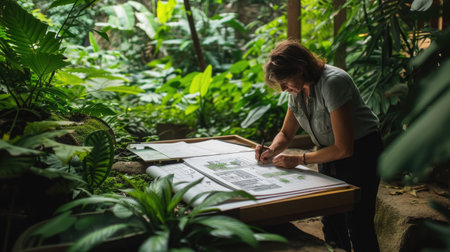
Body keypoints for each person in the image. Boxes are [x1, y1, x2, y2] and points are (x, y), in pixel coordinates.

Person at [255, 40, 382, 252]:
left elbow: (344, 148)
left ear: (299, 68)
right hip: (328, 153)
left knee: (358, 223)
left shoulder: (333, 82)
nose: (284, 89)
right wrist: (271, 150)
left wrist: (298, 159)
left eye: (285, 82)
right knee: (331, 219)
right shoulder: (296, 90)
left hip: (361, 152)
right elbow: (286, 133)